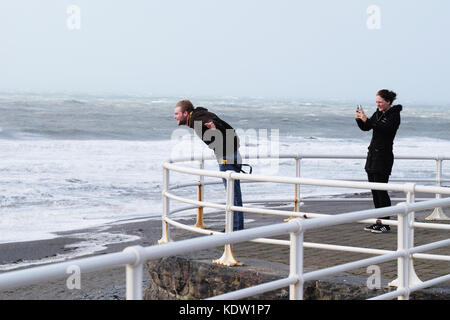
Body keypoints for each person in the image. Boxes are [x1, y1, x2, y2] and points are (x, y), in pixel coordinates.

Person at [173, 100, 244, 231]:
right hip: (232, 153)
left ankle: (234, 229)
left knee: (232, 194)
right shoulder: (200, 115)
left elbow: (213, 123)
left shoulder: (196, 119)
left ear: (186, 113)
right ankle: (237, 227)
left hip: (227, 156)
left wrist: (214, 127)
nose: (174, 116)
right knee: (235, 194)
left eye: (177, 113)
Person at [355, 89, 402, 233]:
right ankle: (378, 221)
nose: (378, 104)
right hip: (372, 156)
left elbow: (384, 129)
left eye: (380, 102)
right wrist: (359, 119)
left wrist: (367, 120)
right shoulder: (378, 113)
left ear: (388, 101)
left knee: (382, 191)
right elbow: (367, 127)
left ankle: (385, 224)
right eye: (377, 102)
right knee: (374, 191)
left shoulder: (394, 115)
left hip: (384, 157)